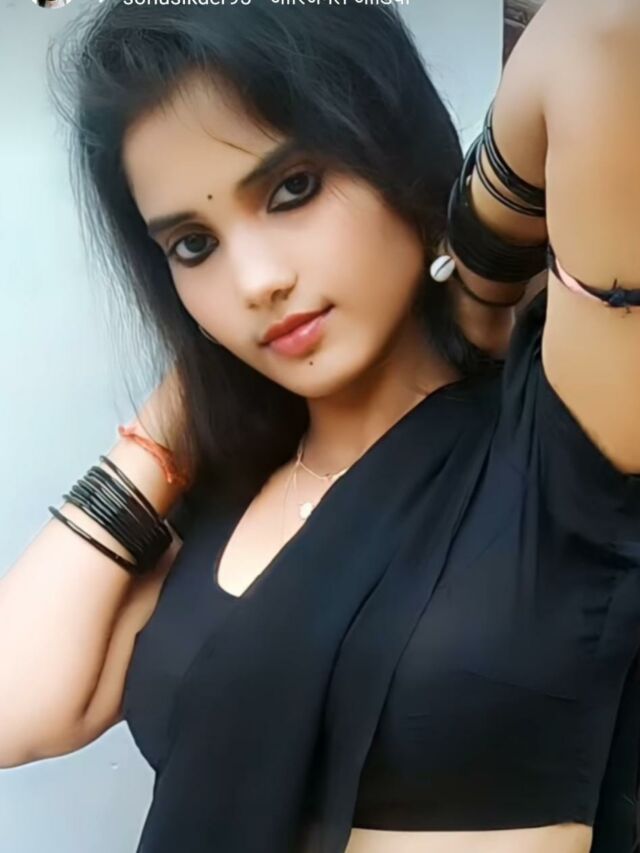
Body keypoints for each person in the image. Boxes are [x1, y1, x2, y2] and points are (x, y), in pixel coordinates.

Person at [1, 1, 639, 852]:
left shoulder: (561, 443)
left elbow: (601, 37)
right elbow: (16, 709)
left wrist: (479, 275)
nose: (256, 280)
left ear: (393, 152)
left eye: (292, 189)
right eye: (193, 245)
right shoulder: (225, 500)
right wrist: (184, 400)